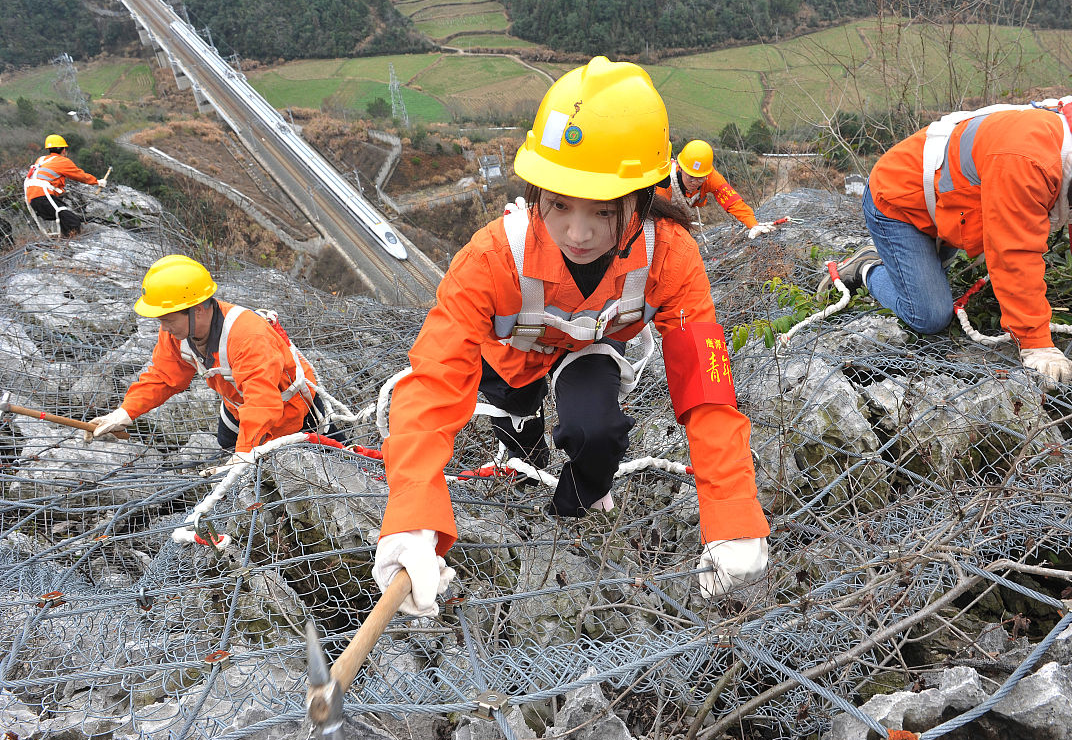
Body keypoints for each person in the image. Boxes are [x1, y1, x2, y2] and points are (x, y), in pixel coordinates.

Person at [372, 57, 771, 617]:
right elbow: (435, 379)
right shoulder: (491, 257)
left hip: (588, 350)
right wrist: (412, 520)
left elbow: (707, 389)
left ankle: (574, 507)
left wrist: (734, 518)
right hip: (510, 360)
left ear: (641, 197)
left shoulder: (670, 255)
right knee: (520, 433)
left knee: (596, 433)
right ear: (537, 189)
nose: (578, 234)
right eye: (558, 205)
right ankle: (525, 458)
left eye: (603, 212)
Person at [819, 100, 1072, 381]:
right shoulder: (1029, 161)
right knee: (930, 315)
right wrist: (1036, 344)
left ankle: (899, 260)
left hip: (950, 208)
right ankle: (867, 267)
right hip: (899, 202)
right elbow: (1014, 255)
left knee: (930, 285)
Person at [87, 255, 341, 466]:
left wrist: (245, 452)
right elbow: (163, 377)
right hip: (237, 407)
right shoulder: (178, 332)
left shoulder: (248, 337)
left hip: (292, 413)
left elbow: (262, 401)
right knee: (232, 451)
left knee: (327, 463)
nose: (163, 328)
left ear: (197, 310)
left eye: (167, 319)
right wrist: (125, 412)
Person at [656, 139, 773, 238]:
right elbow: (656, 214)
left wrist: (753, 224)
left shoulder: (711, 177)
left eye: (700, 179)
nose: (695, 182)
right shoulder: (665, 183)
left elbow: (732, 201)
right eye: (691, 177)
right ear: (681, 168)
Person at [24, 134, 105, 237]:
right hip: (43, 197)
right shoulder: (62, 161)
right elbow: (80, 176)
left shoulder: (40, 159)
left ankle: (64, 239)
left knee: (64, 218)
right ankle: (71, 242)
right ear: (63, 150)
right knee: (72, 222)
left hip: (32, 199)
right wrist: (97, 182)